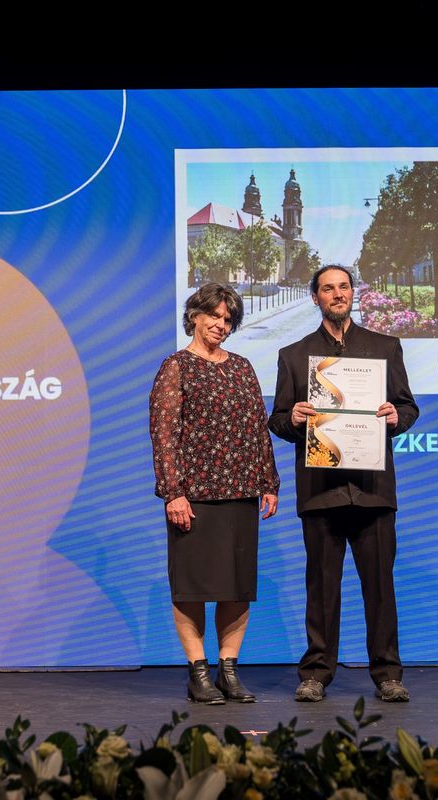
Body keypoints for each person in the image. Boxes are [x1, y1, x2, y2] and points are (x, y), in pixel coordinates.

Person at [268, 265, 419, 703]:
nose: (338, 294)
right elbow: (277, 419)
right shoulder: (294, 356)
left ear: (353, 292)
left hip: (373, 490)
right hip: (321, 490)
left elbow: (408, 408)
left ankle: (388, 674)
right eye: (328, 288)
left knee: (380, 588)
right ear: (315, 297)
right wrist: (294, 419)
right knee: (321, 588)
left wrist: (397, 417)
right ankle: (316, 673)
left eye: (344, 287)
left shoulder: (385, 347)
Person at [149, 283, 280, 704]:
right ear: (195, 316)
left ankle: (229, 670)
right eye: (215, 316)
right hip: (195, 496)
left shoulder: (242, 367)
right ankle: (198, 673)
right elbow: (164, 435)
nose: (221, 325)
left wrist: (268, 482)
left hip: (241, 492)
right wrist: (173, 492)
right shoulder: (176, 366)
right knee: (192, 588)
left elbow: (258, 428)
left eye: (228, 319)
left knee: (236, 588)